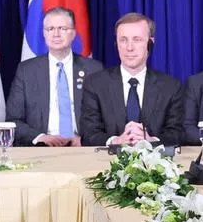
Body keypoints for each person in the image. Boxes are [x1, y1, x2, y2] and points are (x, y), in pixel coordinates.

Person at [78, 13, 184, 146]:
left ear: (150, 43)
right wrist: (116, 141)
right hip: (105, 163)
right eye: (123, 40)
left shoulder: (171, 86)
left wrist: (151, 141)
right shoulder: (95, 84)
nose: (129, 47)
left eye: (137, 39)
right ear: (116, 44)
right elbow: (88, 134)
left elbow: (177, 133)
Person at [5, 7, 104, 146]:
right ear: (44, 34)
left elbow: (104, 118)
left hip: (81, 147)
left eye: (63, 28)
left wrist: (84, 140)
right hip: (40, 148)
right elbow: (13, 120)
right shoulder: (26, 71)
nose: (56, 34)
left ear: (74, 33)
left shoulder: (93, 69)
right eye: (50, 29)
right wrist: (41, 137)